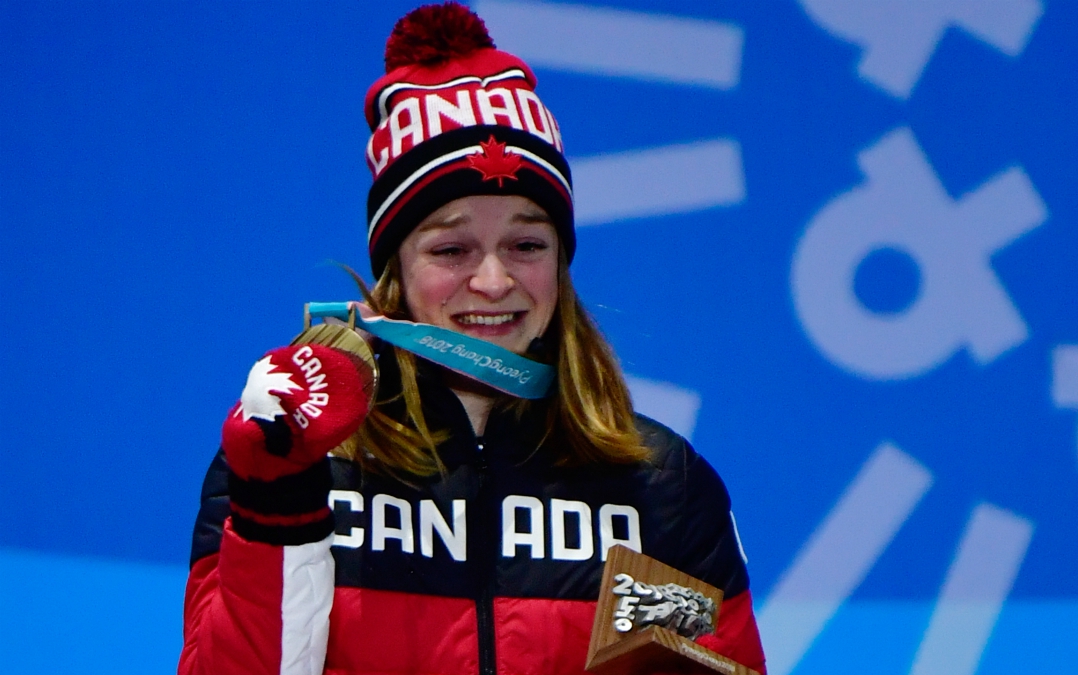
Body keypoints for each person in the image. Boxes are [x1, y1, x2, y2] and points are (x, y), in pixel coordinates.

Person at [178, 4, 766, 674]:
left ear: (561, 262)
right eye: (452, 247)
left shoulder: (653, 488)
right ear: (395, 266)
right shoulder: (309, 469)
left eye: (526, 243)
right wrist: (277, 499)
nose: (493, 281)